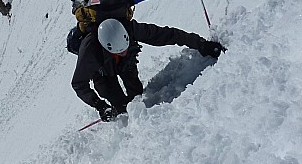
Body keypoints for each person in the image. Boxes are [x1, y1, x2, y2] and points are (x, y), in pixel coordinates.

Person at [72, 18, 225, 121]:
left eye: (124, 48)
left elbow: (168, 35)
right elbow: (79, 84)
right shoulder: (90, 53)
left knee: (136, 94)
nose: (122, 52)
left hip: (126, 63)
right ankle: (127, 126)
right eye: (119, 51)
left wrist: (200, 44)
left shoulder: (132, 29)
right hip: (102, 72)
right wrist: (100, 105)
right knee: (118, 104)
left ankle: (138, 117)